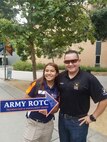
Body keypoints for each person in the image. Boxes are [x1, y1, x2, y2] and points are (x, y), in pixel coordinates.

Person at [58, 50, 107, 142]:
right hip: (62, 119)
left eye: (74, 61)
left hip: (79, 122)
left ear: (79, 61)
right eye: (67, 61)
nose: (70, 64)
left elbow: (104, 99)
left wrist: (93, 117)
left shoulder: (88, 78)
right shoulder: (61, 76)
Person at [23, 62, 59, 142]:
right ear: (44, 72)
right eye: (47, 70)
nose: (49, 73)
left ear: (56, 73)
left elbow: (56, 109)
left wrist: (49, 110)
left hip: (48, 125)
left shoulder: (58, 87)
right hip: (33, 124)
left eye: (52, 71)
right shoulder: (36, 84)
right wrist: (38, 105)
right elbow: (25, 100)